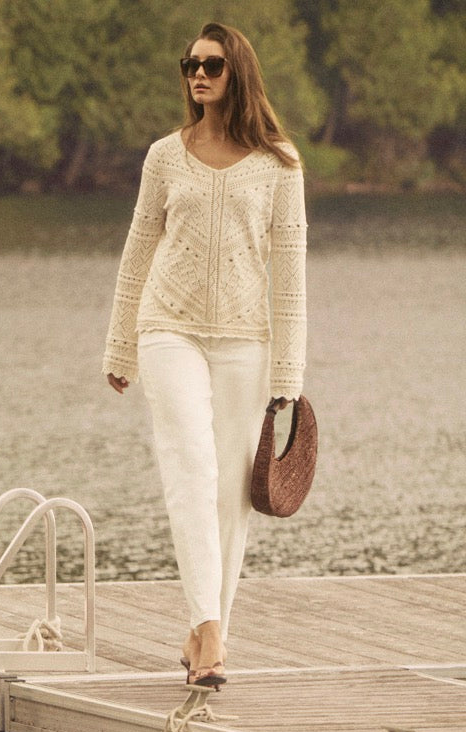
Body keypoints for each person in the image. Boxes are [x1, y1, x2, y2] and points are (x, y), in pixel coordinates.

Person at [101, 22, 307, 688]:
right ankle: (212, 632)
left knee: (231, 491)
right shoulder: (165, 156)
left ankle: (203, 629)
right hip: (169, 328)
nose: (197, 74)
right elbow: (138, 249)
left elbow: (290, 272)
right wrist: (121, 344)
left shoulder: (280, 163)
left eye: (211, 65)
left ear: (236, 72)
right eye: (190, 63)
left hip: (247, 338)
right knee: (190, 464)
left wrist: (289, 370)